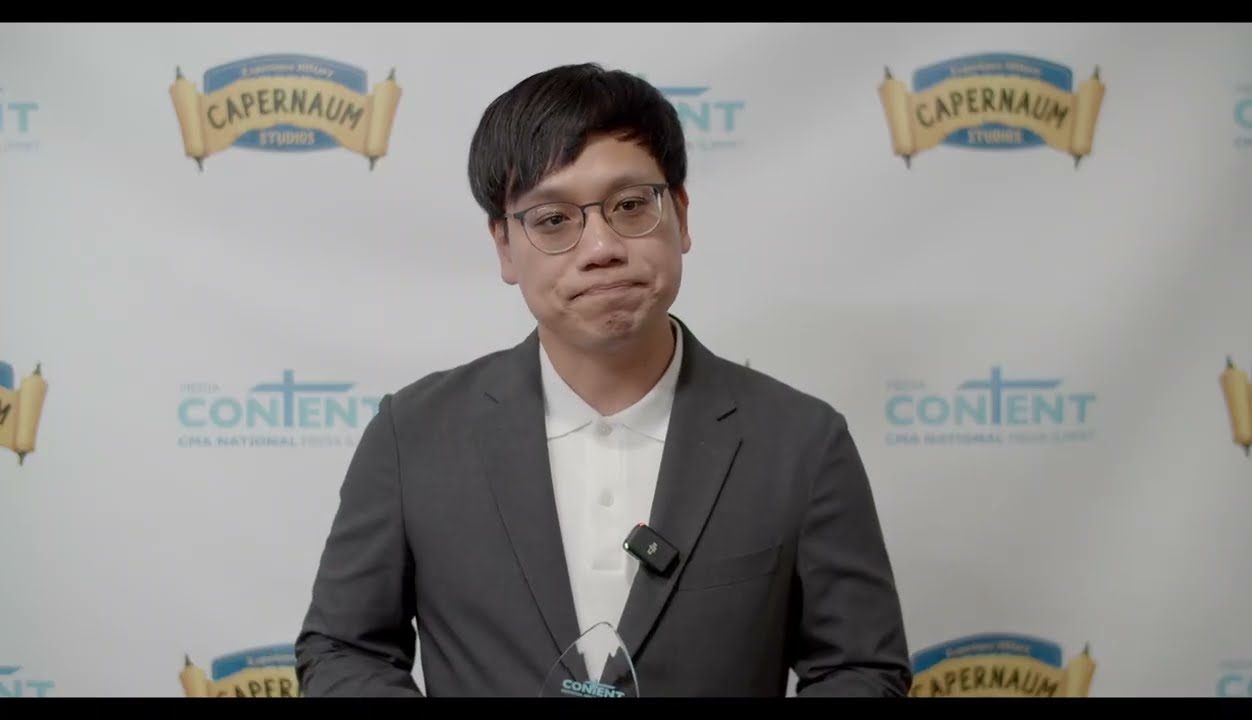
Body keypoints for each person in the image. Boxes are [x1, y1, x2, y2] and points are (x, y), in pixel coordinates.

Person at [294, 62, 912, 698]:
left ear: (681, 216)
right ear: (504, 246)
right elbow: (344, 650)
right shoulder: (413, 435)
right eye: (554, 219)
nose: (601, 248)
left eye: (630, 205)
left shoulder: (801, 442)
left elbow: (860, 668)